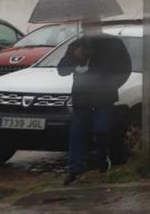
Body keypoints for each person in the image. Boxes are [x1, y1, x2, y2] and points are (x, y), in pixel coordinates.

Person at [56, 20, 131, 185]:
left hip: (104, 98)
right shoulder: (77, 45)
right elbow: (62, 70)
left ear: (99, 27)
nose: (88, 30)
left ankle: (103, 160)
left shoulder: (113, 44)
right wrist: (75, 56)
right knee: (77, 134)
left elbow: (125, 68)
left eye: (92, 26)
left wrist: (111, 85)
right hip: (82, 99)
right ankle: (75, 169)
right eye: (85, 27)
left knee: (102, 130)